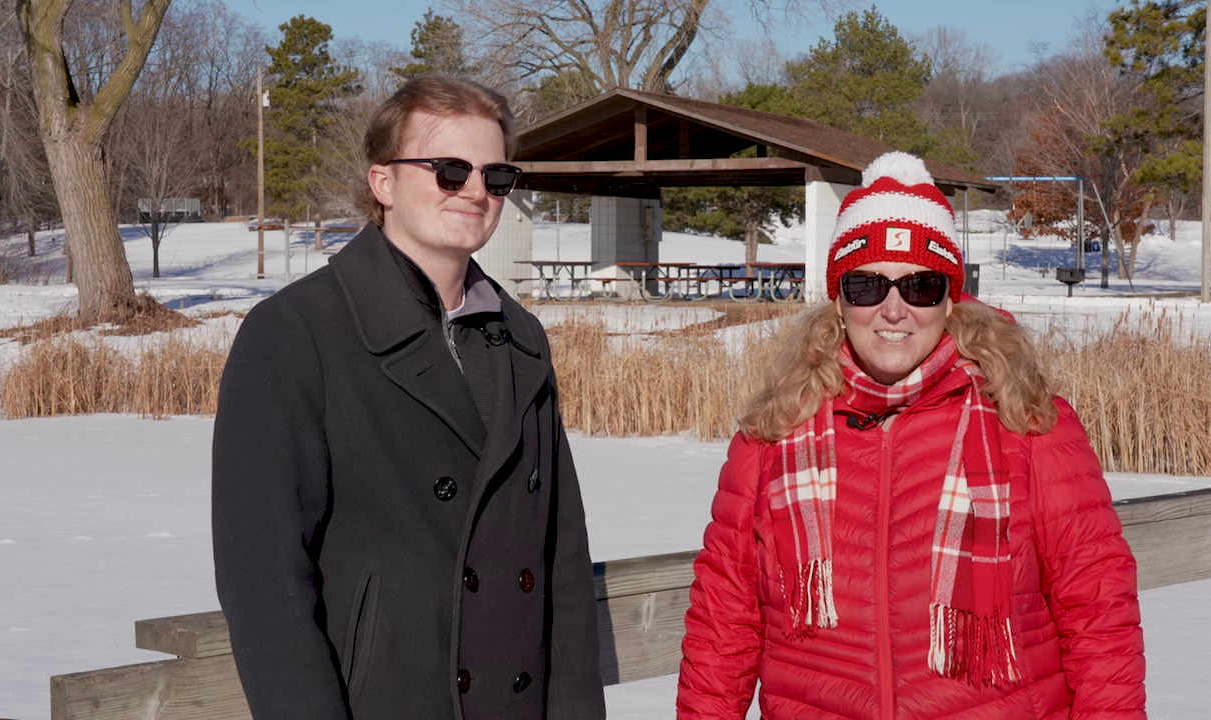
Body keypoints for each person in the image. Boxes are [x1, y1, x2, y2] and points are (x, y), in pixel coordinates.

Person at [676, 152, 1145, 719]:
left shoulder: (1028, 424)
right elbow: (723, 624)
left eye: (920, 286)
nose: (893, 310)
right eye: (867, 286)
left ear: (950, 300)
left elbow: (1099, 618)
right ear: (839, 300)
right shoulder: (775, 432)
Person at [212, 75, 606, 720]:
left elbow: (558, 557)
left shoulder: (523, 338)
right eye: (449, 170)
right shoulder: (295, 334)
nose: (476, 191)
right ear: (383, 183)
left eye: (495, 175)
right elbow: (263, 582)